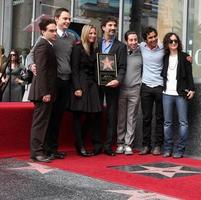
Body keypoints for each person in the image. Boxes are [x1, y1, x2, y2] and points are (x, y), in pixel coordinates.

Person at [27, 8, 76, 160]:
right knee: (43, 120)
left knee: (55, 118)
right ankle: (39, 151)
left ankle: (51, 149)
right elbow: (32, 55)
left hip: (63, 83)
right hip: (49, 84)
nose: (67, 21)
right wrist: (31, 66)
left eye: (69, 19)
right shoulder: (45, 40)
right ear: (57, 19)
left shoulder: (71, 38)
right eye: (64, 18)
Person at [161, 32, 195, 158]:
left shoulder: (185, 57)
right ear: (167, 44)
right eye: (171, 41)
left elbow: (190, 75)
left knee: (183, 123)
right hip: (167, 94)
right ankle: (168, 148)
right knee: (167, 123)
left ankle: (180, 149)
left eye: (175, 41)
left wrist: (192, 89)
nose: (173, 43)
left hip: (180, 93)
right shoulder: (164, 58)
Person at [69, 24, 102, 156]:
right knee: (78, 115)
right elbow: (74, 69)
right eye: (91, 33)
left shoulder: (96, 49)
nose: (93, 35)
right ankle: (80, 144)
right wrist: (77, 88)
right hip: (80, 84)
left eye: (94, 33)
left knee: (92, 115)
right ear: (85, 34)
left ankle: (79, 141)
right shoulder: (77, 48)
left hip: (92, 84)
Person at [97, 16, 127, 156]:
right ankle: (96, 145)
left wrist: (118, 80)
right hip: (96, 84)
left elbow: (122, 67)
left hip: (113, 85)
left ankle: (108, 145)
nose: (113, 27)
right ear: (103, 27)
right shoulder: (95, 43)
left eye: (115, 25)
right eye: (110, 25)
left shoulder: (121, 46)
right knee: (96, 113)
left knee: (111, 115)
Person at [28, 18, 57, 163]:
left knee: (43, 122)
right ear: (43, 32)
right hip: (42, 92)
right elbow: (42, 71)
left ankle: (40, 151)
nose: (54, 33)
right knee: (40, 123)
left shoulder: (48, 44)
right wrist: (45, 92)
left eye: (55, 30)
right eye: (51, 31)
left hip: (45, 91)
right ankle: (37, 152)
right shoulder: (42, 45)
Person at [115, 31, 142, 155]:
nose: (133, 42)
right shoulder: (121, 53)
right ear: (126, 41)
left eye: (135, 39)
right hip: (121, 89)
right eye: (130, 40)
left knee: (132, 118)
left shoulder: (142, 53)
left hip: (135, 89)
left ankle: (128, 144)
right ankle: (120, 143)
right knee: (121, 117)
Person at [139, 26, 164, 155]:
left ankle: (158, 145)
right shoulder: (141, 47)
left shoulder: (163, 47)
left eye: (155, 36)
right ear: (145, 39)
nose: (153, 39)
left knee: (160, 118)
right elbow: (128, 47)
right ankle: (146, 145)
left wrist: (187, 58)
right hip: (146, 87)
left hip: (160, 86)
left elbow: (177, 52)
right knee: (146, 118)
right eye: (150, 37)